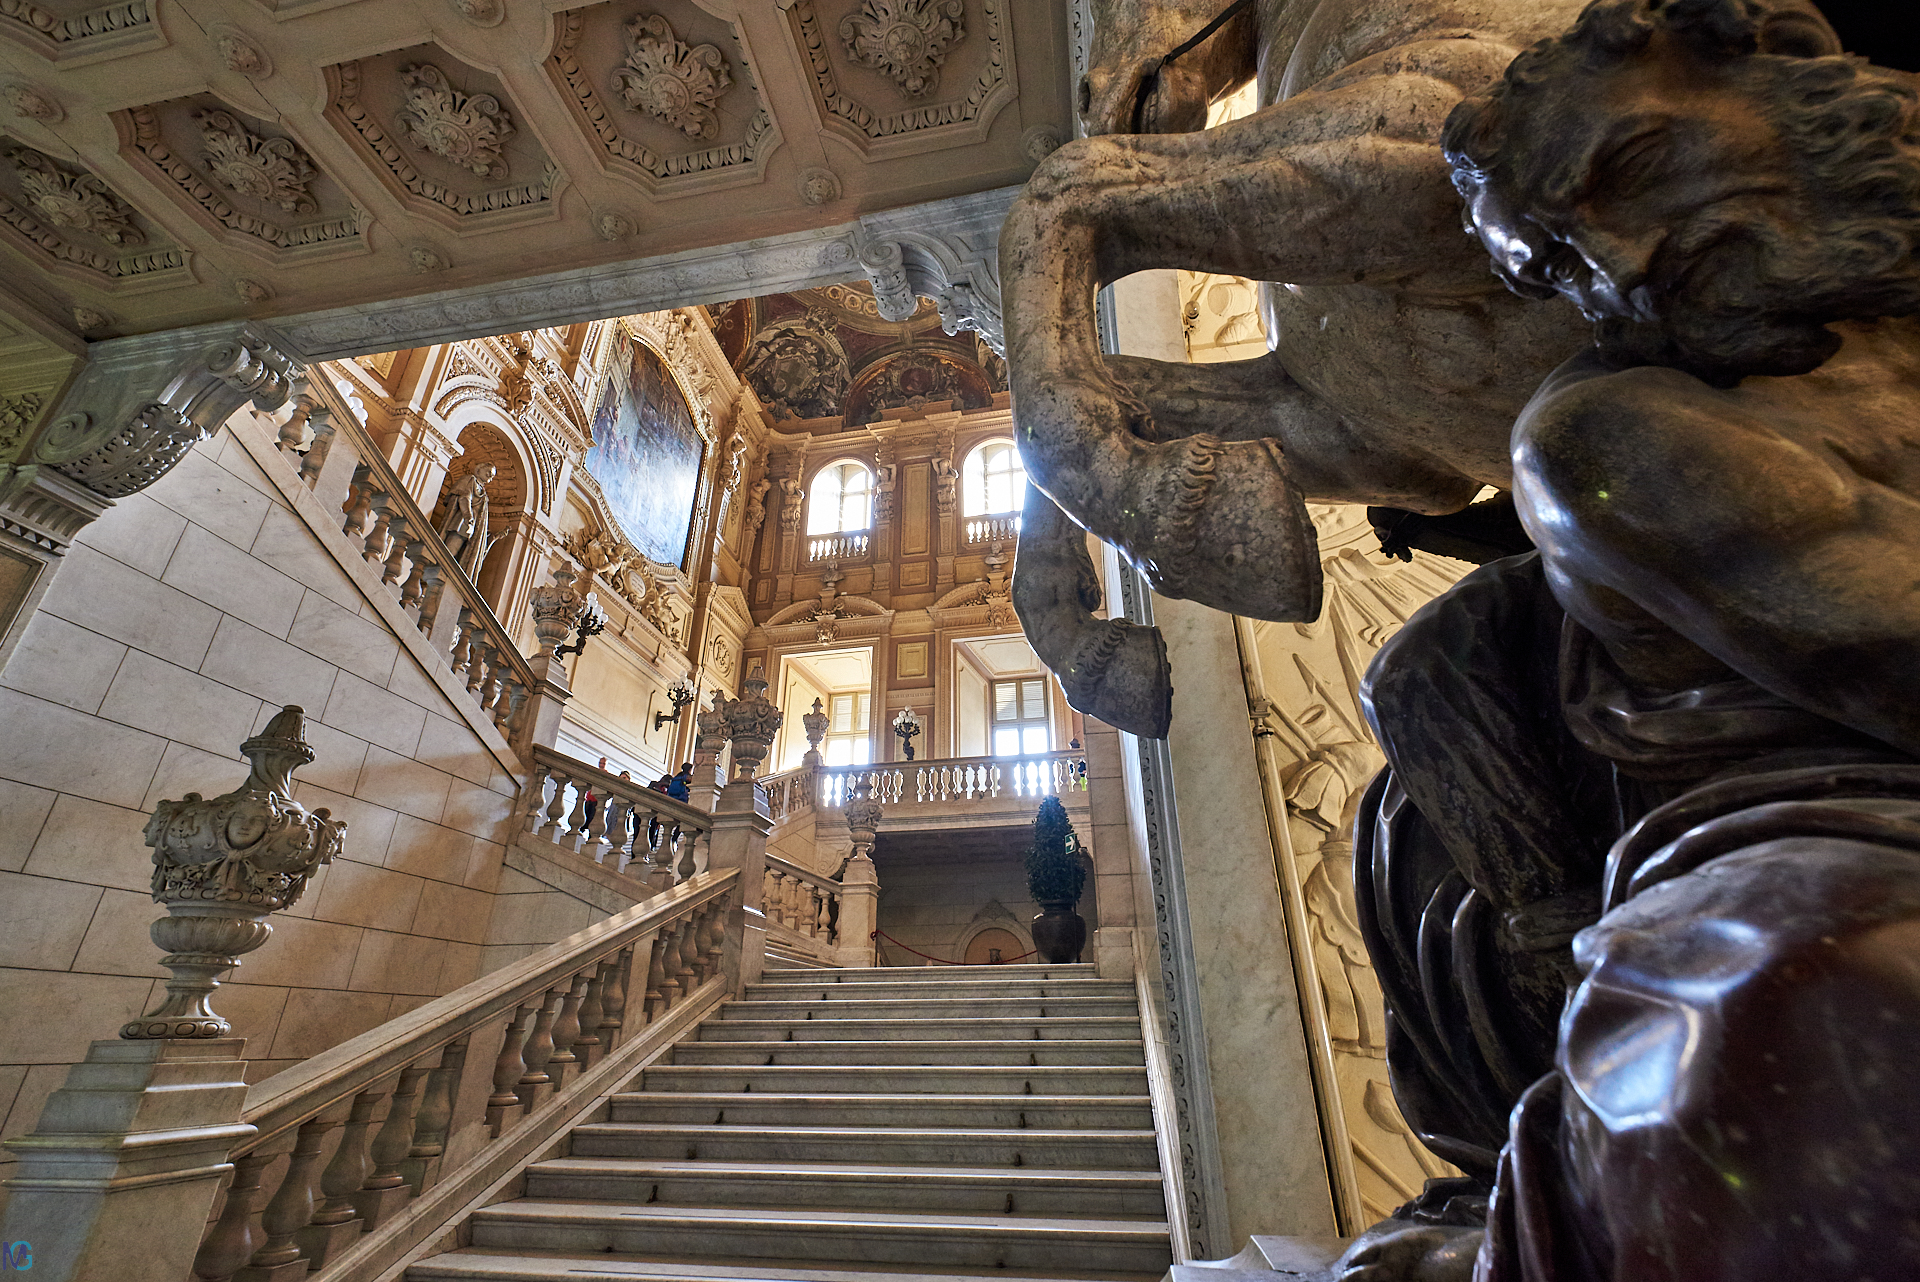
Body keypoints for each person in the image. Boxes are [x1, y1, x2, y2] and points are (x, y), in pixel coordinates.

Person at [1327, 4, 1920, 1276]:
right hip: (1804, 822)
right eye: (1559, 267)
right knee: (1832, 1011)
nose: (1631, 261)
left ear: (1788, 48)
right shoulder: (1609, 433)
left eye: (1633, 168)